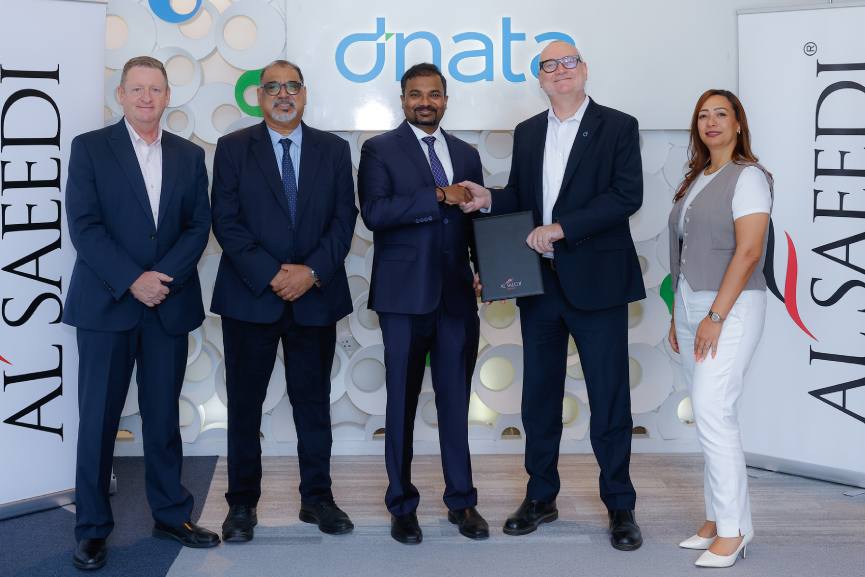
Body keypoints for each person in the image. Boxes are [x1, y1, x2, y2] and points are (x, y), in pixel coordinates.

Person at [460, 41, 645, 550]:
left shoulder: (618, 126)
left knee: (609, 398)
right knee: (539, 398)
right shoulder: (528, 131)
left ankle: (620, 505)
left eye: (569, 62)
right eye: (550, 65)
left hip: (599, 283)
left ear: (584, 69)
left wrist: (562, 228)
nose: (561, 70)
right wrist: (490, 199)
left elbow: (626, 196)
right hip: (540, 286)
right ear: (540, 79)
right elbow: (524, 198)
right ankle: (541, 495)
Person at [64, 56, 217, 570]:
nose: (146, 98)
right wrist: (133, 279)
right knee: (98, 422)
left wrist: (160, 279)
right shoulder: (90, 148)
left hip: (166, 306)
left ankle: (171, 514)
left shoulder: (189, 156)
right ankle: (91, 530)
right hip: (107, 305)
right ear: (121, 96)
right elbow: (84, 226)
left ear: (168, 96)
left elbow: (198, 226)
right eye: (137, 89)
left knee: (162, 418)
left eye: (155, 89)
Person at [210, 60, 357, 542]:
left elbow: (344, 219)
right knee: (245, 405)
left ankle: (317, 498)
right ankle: (241, 505)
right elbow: (225, 220)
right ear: (259, 97)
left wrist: (310, 272)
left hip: (315, 297)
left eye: (292, 86)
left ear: (305, 93)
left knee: (313, 403)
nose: (283, 94)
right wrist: (272, 274)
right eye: (272, 87)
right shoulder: (233, 148)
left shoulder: (334, 149)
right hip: (251, 296)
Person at [357, 63, 489, 544]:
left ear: (446, 100)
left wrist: (486, 270)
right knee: (401, 404)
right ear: (403, 100)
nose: (425, 102)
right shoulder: (379, 149)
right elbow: (375, 213)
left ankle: (462, 502)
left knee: (456, 403)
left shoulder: (467, 154)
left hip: (456, 297)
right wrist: (438, 194)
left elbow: (474, 221)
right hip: (403, 298)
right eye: (416, 94)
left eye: (434, 94)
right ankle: (401, 505)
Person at [667, 89, 772, 568]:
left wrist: (714, 316)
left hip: (731, 306)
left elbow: (748, 252)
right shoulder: (697, 178)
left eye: (721, 114)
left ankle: (733, 531)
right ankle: (717, 517)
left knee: (714, 410)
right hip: (690, 305)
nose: (711, 122)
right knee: (707, 412)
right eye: (703, 116)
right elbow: (684, 250)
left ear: (738, 123)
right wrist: (678, 316)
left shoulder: (748, 177)